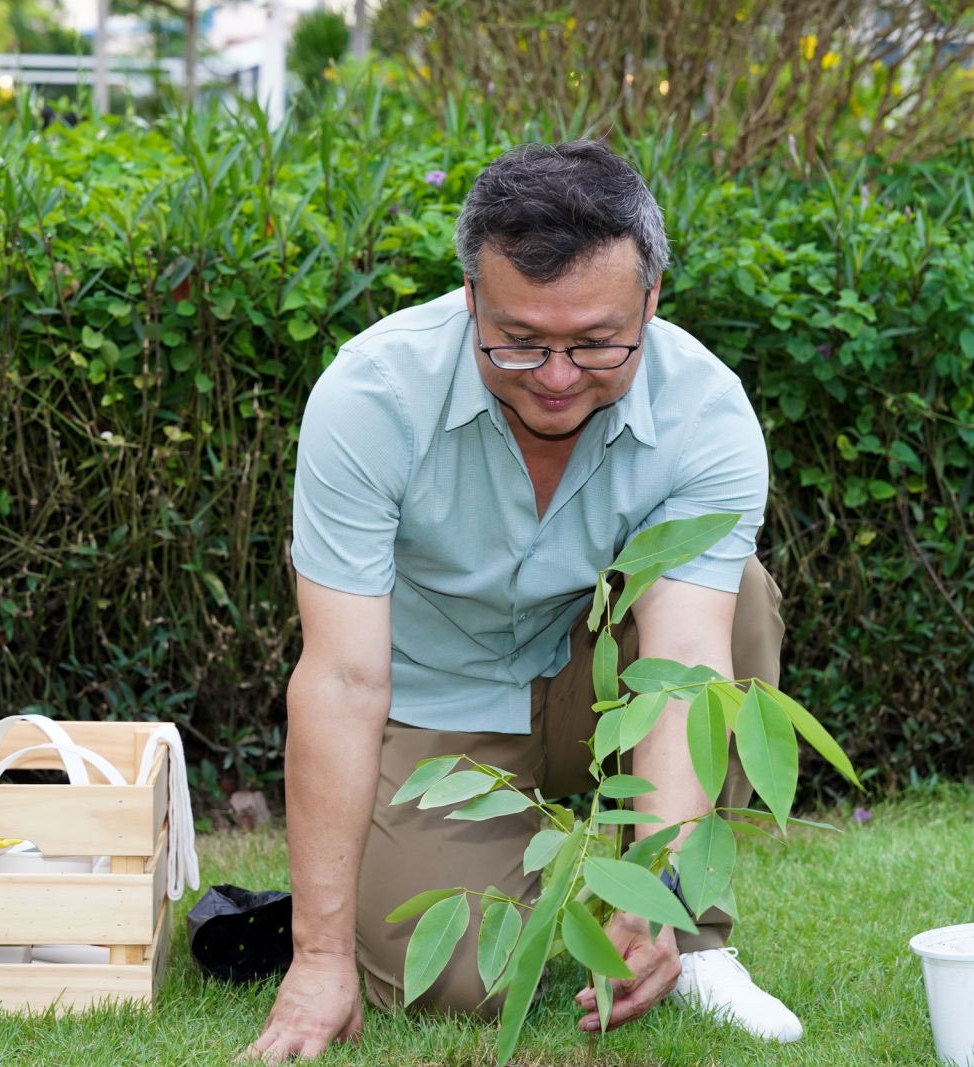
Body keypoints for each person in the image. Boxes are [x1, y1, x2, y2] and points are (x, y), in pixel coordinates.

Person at [246, 140, 803, 1064]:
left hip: (607, 684)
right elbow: (342, 677)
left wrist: (651, 889)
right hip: (442, 707)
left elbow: (687, 664)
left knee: (741, 601)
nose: (554, 375)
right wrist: (316, 955)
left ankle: (692, 939)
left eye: (595, 341)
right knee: (441, 987)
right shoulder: (371, 395)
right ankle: (532, 869)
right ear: (470, 297)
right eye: (519, 340)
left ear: (652, 299)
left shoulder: (706, 410)